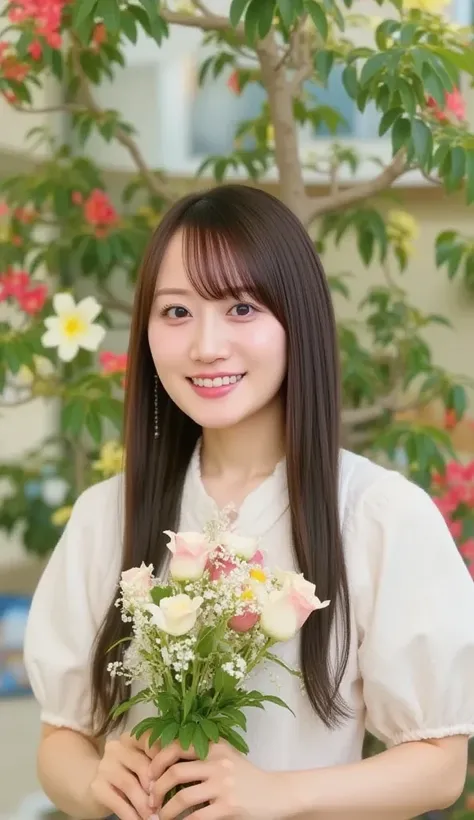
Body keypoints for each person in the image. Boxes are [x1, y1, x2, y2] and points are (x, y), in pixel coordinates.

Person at [24, 184, 474, 820]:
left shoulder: (379, 515)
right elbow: (60, 739)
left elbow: (438, 764)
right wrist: (96, 781)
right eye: (176, 312)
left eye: (240, 308)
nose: (205, 346)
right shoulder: (107, 515)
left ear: (299, 320)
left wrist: (282, 795)